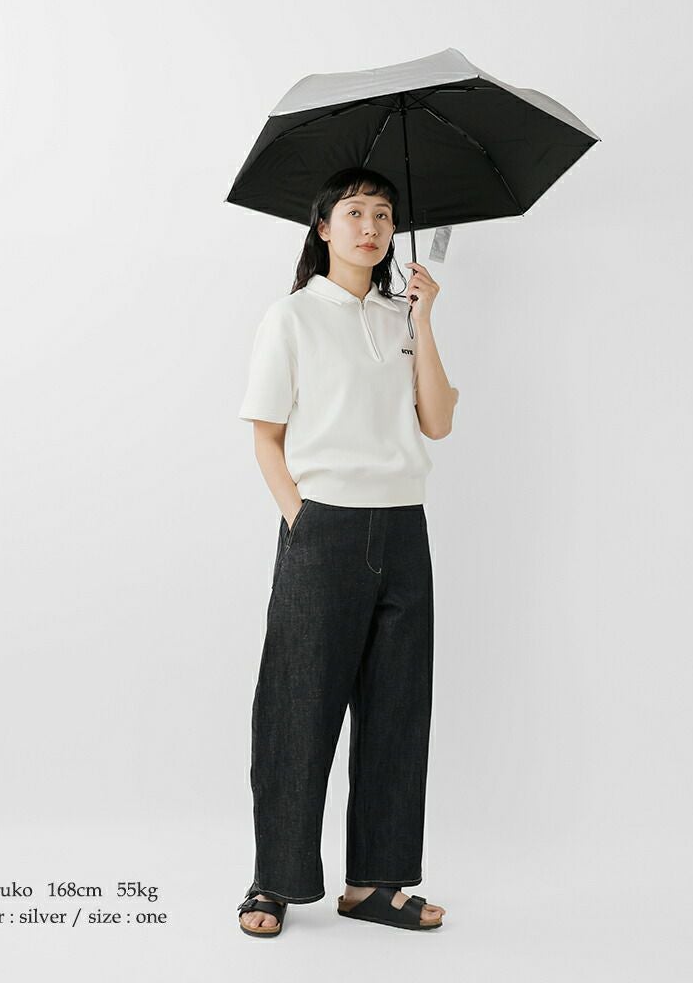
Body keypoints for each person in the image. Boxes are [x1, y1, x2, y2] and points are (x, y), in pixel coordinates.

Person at [236, 167, 459, 937]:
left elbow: (438, 422)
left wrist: (424, 319)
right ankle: (275, 879)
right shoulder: (292, 316)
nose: (371, 227)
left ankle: (375, 884)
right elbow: (266, 435)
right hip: (324, 526)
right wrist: (300, 519)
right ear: (324, 227)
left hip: (403, 527)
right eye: (355, 212)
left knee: (399, 709)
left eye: (384, 215)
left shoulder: (402, 317)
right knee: (297, 708)